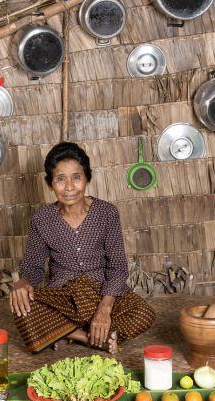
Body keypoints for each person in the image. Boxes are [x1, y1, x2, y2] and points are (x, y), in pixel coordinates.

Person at [10, 142, 154, 355]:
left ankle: (63, 331)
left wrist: (105, 309)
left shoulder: (107, 213)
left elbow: (117, 267)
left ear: (87, 178)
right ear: (50, 184)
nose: (69, 187)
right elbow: (33, 267)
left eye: (76, 177)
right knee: (20, 303)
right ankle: (88, 337)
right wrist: (22, 284)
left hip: (101, 291)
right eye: (60, 179)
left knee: (144, 314)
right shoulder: (42, 219)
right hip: (63, 296)